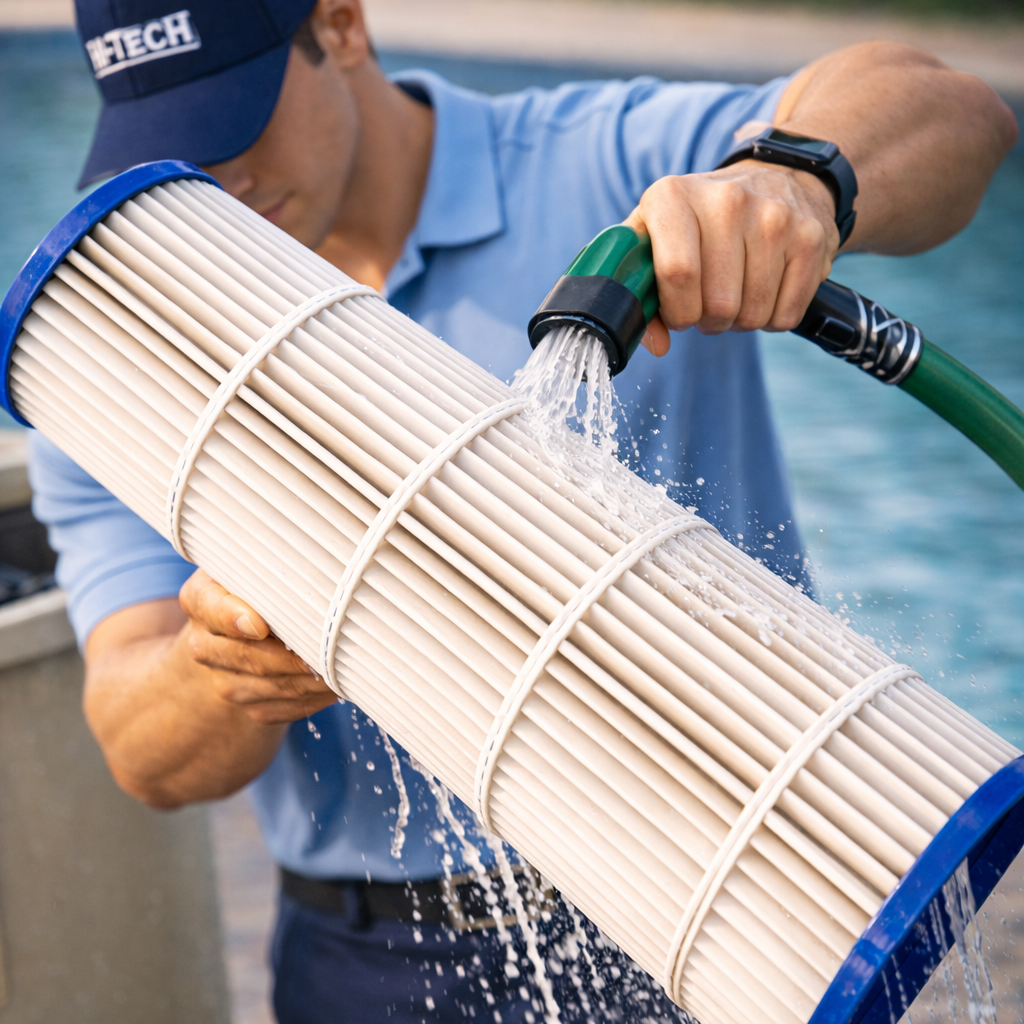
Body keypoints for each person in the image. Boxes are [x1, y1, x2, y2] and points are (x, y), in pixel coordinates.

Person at [28, 0, 1017, 1020]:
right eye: (177, 146)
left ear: (340, 25)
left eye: (234, 121)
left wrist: (792, 179)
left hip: (740, 906)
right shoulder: (136, 349)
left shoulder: (603, 168)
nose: (218, 182)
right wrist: (219, 667)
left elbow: (956, 114)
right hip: (382, 963)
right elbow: (138, 739)